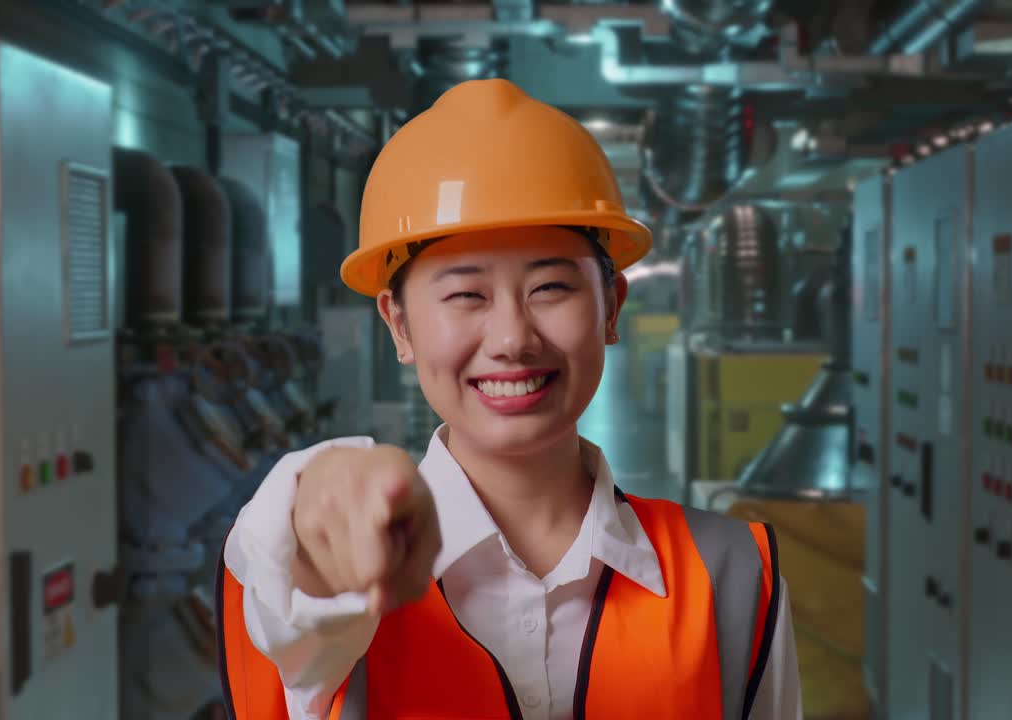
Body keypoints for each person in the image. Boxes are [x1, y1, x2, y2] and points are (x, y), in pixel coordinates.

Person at [215, 78, 803, 720]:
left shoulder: (733, 575)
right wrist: (319, 500)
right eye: (466, 294)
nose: (512, 339)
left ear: (612, 309)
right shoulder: (339, 587)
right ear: (400, 325)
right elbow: (282, 569)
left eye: (550, 287)